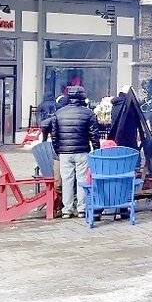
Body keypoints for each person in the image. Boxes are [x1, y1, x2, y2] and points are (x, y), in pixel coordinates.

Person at [49, 86, 99, 218]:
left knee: (67, 180)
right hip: (82, 150)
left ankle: (67, 209)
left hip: (64, 152)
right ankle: (81, 209)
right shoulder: (88, 113)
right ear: (83, 98)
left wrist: (58, 150)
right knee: (82, 179)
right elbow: (94, 134)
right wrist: (96, 149)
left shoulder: (59, 113)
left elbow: (54, 135)